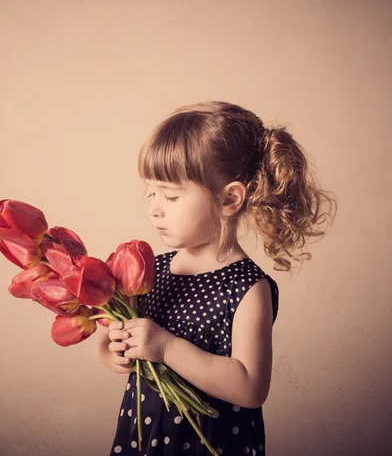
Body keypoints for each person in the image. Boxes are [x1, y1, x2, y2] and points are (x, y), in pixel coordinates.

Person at [95, 101, 337, 455]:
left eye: (171, 196)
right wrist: (114, 349)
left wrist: (165, 347)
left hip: (210, 443)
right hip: (144, 436)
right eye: (151, 191)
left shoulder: (247, 288)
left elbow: (251, 387)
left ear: (229, 199)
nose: (154, 208)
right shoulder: (149, 269)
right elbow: (110, 345)